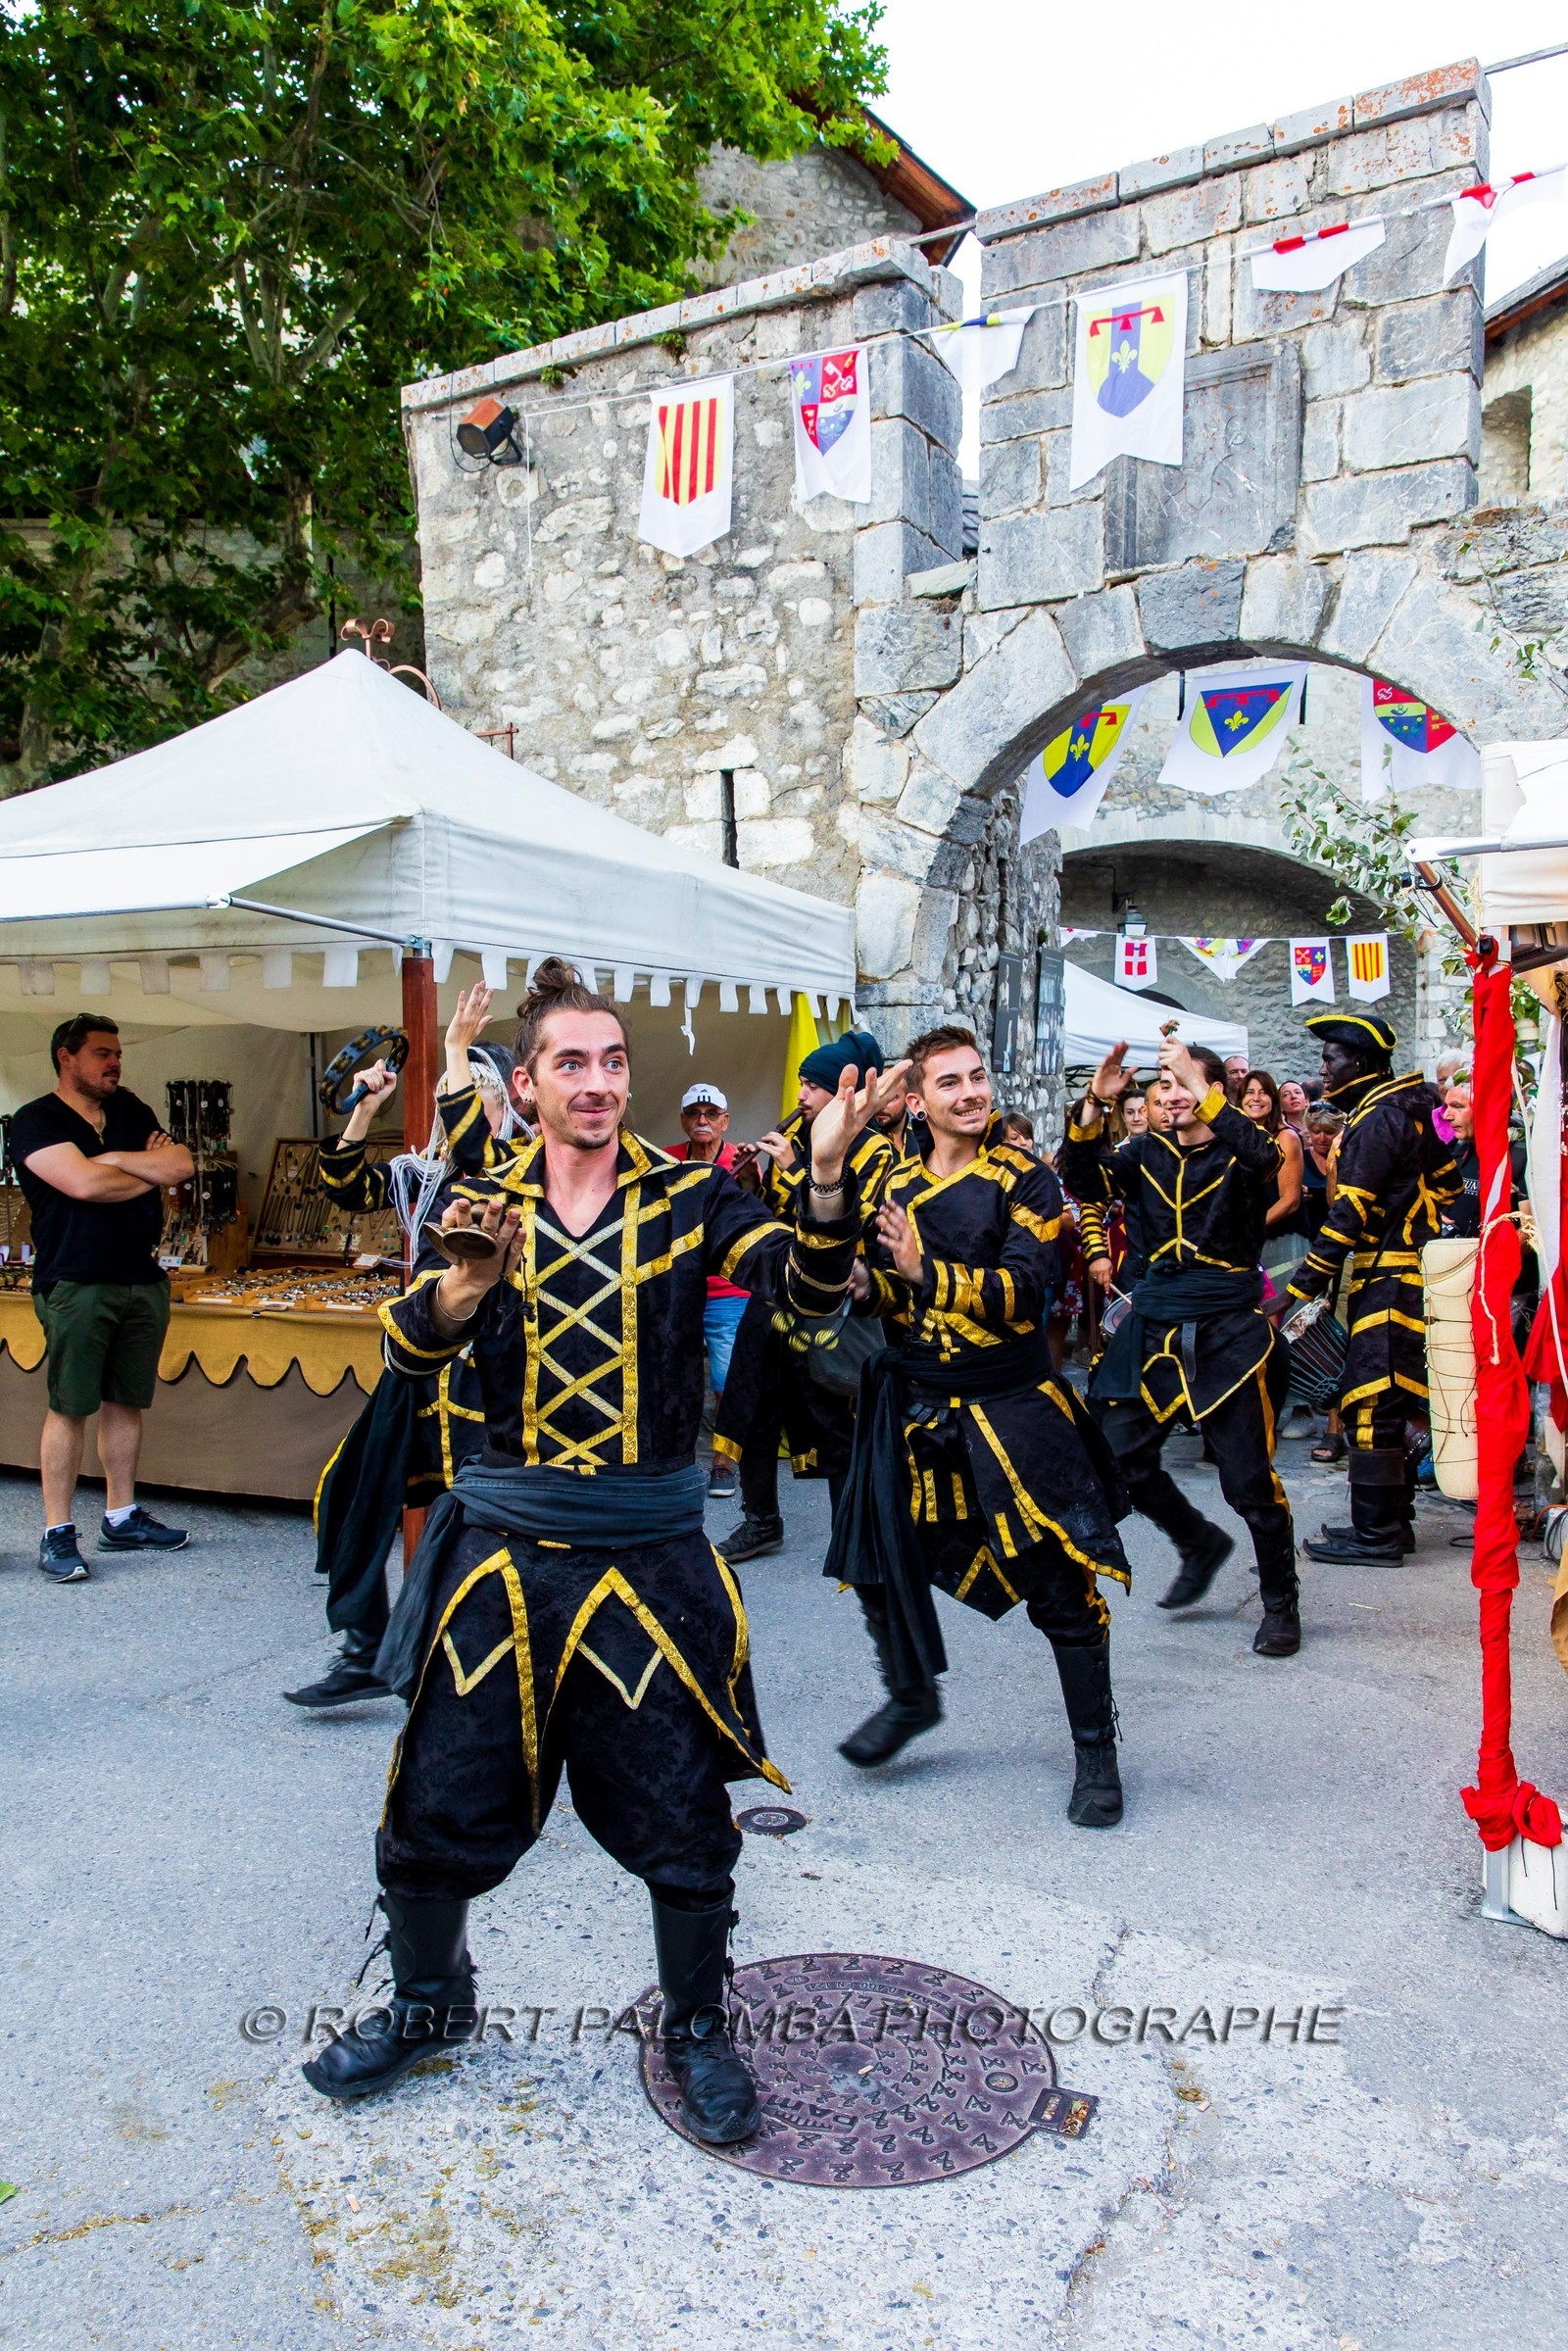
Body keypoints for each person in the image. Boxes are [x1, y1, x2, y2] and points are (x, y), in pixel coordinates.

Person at [302, 960, 881, 2138]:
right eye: (572, 1060)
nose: (600, 1081)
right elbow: (409, 1358)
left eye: (614, 1060)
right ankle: (428, 2003)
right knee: (436, 1802)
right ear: (526, 1081)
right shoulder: (480, 1194)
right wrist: (460, 1294)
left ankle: (697, 2028)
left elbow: (806, 1292)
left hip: (649, 1564)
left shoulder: (688, 1196)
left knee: (680, 1817)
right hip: (499, 1564)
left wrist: (824, 1182)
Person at [827, 1025, 1133, 1826]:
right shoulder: (893, 1180)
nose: (970, 1093)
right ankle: (910, 1693)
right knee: (876, 1557)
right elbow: (898, 1297)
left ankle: (1097, 1751)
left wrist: (926, 1274)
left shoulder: (1024, 1179)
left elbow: (1026, 1292)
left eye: (977, 1077)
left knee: (1061, 1586)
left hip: (1013, 1406)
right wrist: (869, 1285)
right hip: (918, 1407)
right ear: (918, 1101)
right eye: (950, 1083)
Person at [285, 986, 528, 1710]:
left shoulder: (519, 1167)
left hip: (486, 1376)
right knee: (353, 1495)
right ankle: (366, 1645)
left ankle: (465, 1661)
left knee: (472, 1518)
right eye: (461, 1090)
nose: (468, 1103)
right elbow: (343, 1186)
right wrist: (365, 1106)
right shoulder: (420, 1176)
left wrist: (457, 1053)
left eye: (480, 1091)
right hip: (415, 1364)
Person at [1058, 1034, 1301, 1659]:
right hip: (1152, 1321)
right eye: (1162, 1085)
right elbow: (1081, 1178)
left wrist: (1199, 1081)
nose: (1171, 1096)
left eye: (1183, 1083)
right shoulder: (1140, 1152)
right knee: (1119, 1461)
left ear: (1212, 1089)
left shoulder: (1243, 1152)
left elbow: (1264, 1160)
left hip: (1228, 1328)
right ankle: (1198, 1542)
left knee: (1248, 1481)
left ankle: (1280, 1602)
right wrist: (1092, 1104)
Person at [10, 1015, 195, 1580]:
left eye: (117, 1053)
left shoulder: (131, 1108)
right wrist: (143, 1169)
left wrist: (113, 1161)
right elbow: (83, 1186)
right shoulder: (35, 1120)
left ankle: (121, 1515)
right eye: (101, 1053)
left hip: (141, 1278)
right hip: (77, 1281)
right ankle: (58, 1531)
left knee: (126, 1402)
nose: (115, 1062)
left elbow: (182, 1165)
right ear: (66, 1058)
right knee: (70, 1406)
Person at [712, 1030, 903, 1560]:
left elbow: (857, 1224)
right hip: (774, 1296)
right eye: (800, 1083)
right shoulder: (794, 1137)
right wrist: (751, 1182)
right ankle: (761, 1521)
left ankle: (851, 1531)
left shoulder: (874, 1152)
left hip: (828, 1303)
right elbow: (777, 1224)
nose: (800, 1095)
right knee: (750, 1407)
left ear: (840, 1096)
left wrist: (800, 1169)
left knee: (829, 1415)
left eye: (812, 1086)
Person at [1287, 1011, 1460, 1565]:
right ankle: (1389, 1524)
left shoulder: (1379, 1119)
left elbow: (1349, 1213)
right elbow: (1450, 1188)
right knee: (1385, 1401)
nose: (1324, 1069)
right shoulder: (1407, 1110)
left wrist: (1299, 1290)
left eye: (1331, 1059)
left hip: (1390, 1278)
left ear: (1359, 1063)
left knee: (1370, 1404)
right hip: (1406, 1273)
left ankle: (1378, 1534)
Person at [668, 1082, 749, 1501]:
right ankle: (674, 1460)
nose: (702, 1121)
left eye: (711, 1114)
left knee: (724, 1378)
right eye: (695, 1113)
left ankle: (723, 1464)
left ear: (724, 1121)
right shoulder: (667, 1161)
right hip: (678, 1285)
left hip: (727, 1289)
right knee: (669, 1372)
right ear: (684, 1120)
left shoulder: (744, 1161)